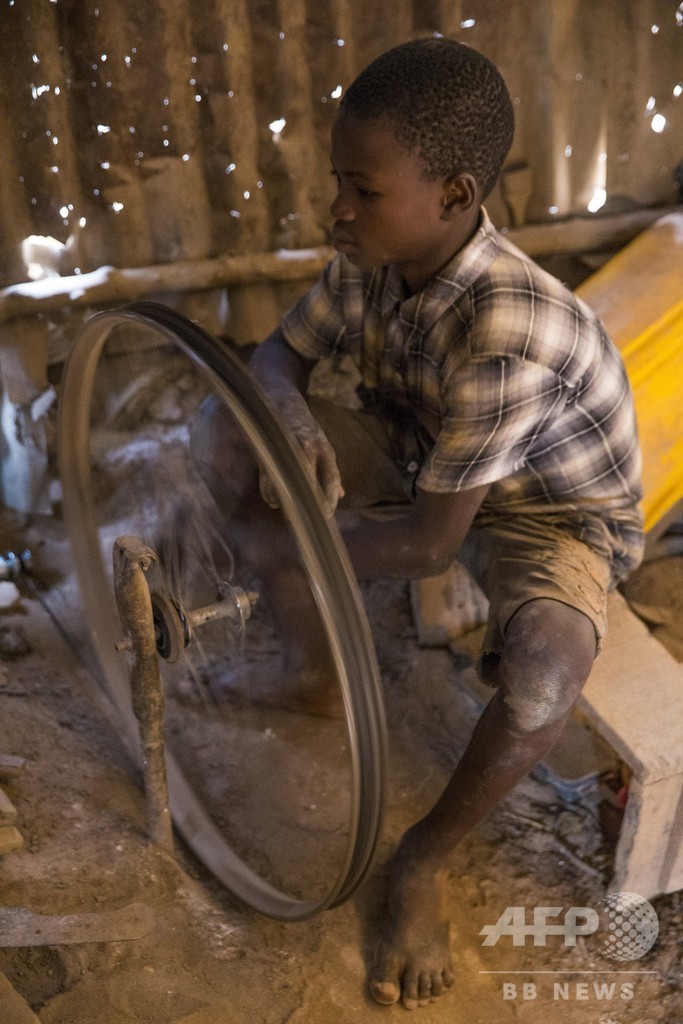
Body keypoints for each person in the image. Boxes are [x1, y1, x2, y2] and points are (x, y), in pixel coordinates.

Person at [192, 37, 644, 1010]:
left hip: (541, 513)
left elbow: (431, 546)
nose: (335, 211)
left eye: (360, 190)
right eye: (336, 185)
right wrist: (290, 408)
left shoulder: (507, 328)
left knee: (542, 668)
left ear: (452, 193)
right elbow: (276, 356)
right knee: (227, 427)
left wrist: (277, 551)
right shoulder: (371, 256)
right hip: (421, 453)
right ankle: (312, 672)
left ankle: (422, 859)